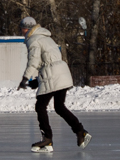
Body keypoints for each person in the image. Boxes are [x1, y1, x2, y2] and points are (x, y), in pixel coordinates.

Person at [18, 16, 91, 152]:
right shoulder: (46, 37)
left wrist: (25, 78)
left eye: (21, 29)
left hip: (53, 76)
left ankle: (47, 139)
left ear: (26, 29)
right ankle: (80, 131)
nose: (21, 32)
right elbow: (47, 60)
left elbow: (34, 61)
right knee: (59, 107)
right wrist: (37, 81)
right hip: (62, 74)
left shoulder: (33, 40)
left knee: (40, 106)